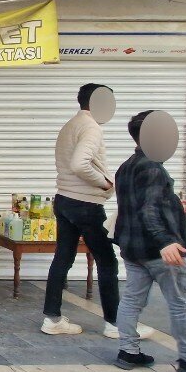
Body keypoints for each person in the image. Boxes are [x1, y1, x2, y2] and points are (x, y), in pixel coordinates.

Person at [43, 84, 151, 339]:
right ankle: (114, 323)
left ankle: (52, 318)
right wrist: (103, 183)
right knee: (107, 261)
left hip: (64, 200)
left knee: (63, 258)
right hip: (85, 204)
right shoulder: (91, 128)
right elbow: (79, 164)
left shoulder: (71, 125)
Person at [112, 110, 186, 372]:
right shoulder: (153, 167)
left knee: (132, 300)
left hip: (133, 249)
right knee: (182, 302)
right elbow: (147, 210)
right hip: (160, 252)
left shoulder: (126, 166)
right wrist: (167, 241)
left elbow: (137, 204)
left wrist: (176, 205)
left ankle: (128, 352)